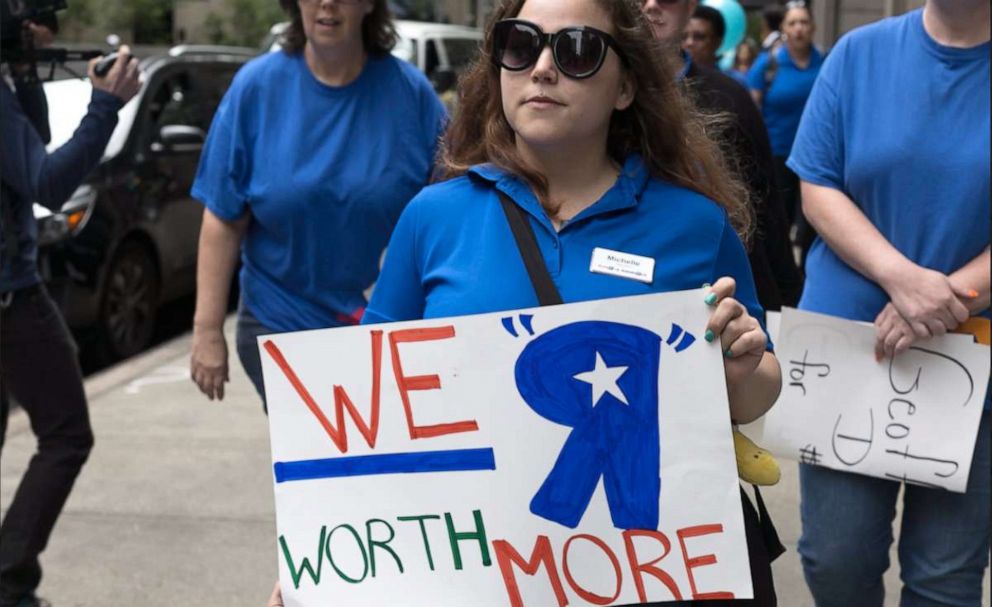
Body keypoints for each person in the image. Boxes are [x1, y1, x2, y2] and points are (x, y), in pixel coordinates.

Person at [364, 0, 782, 603]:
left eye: (577, 50)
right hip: (479, 572)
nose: (540, 67)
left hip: (649, 572)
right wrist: (318, 559)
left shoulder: (694, 224)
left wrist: (742, 367)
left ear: (626, 86)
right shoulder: (433, 218)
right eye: (519, 44)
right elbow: (370, 405)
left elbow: (756, 390)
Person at [787, 0, 990, 604]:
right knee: (834, 557)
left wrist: (943, 299)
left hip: (972, 350)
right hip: (850, 349)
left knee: (946, 575)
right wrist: (903, 279)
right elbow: (817, 185)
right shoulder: (858, 53)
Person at [189, 0, 447, 407]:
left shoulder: (411, 95)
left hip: (382, 325)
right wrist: (206, 329)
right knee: (323, 464)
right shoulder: (256, 89)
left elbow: (450, 213)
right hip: (279, 321)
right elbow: (223, 217)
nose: (327, 2)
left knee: (378, 467)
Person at [0, 26, 140, 607]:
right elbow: (48, 182)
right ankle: (8, 580)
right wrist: (105, 106)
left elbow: (31, 145)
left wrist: (25, 69)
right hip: (11, 296)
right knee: (66, 433)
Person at [643, 0, 802, 311]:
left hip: (716, 300)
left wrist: (785, 301)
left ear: (690, 7)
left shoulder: (730, 99)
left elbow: (764, 212)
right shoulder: (584, 91)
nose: (650, 5)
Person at [747, 0, 821, 267]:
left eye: (804, 22)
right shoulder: (768, 65)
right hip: (777, 155)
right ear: (784, 29)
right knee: (778, 223)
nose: (799, 28)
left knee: (813, 225)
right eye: (793, 23)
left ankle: (807, 280)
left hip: (816, 159)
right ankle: (782, 283)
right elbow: (751, 108)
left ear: (813, 27)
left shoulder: (824, 62)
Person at [682, 4, 724, 68]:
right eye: (683, 37)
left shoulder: (726, 77)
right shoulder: (667, 76)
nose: (689, 43)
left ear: (717, 42)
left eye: (699, 36)